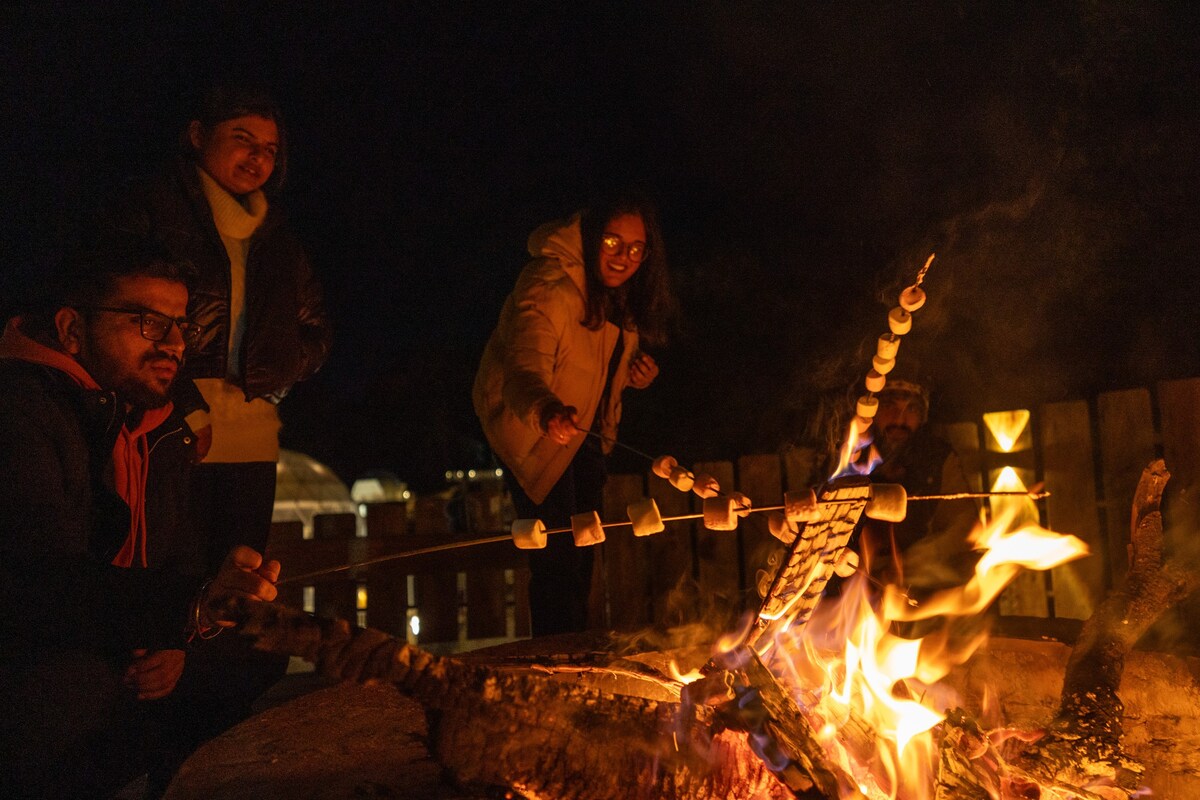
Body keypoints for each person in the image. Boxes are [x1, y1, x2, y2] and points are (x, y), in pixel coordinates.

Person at [94, 85, 331, 736]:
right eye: (242, 141)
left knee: (244, 580)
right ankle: (156, 718)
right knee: (175, 564)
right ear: (198, 135)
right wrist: (184, 401)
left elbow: (316, 328)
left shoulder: (276, 235)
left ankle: (223, 726)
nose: (258, 159)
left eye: (270, 150)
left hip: (250, 428)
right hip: (171, 417)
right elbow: (118, 302)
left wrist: (272, 376)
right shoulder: (153, 207)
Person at [0, 249, 280, 799]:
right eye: (149, 321)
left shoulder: (157, 423)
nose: (175, 343)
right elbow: (37, 582)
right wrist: (181, 608)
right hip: (35, 647)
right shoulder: (21, 412)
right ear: (71, 329)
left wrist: (179, 632)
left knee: (245, 661)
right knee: (67, 696)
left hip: (116, 634)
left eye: (182, 324)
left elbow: (179, 550)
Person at [474, 192, 675, 635]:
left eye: (637, 248)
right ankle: (551, 658)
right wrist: (545, 410)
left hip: (583, 430)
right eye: (612, 243)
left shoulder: (617, 298)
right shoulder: (549, 285)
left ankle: (576, 652)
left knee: (584, 548)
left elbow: (590, 369)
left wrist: (632, 375)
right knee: (556, 554)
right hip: (530, 425)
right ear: (590, 237)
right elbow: (524, 366)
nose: (624, 257)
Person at [858, 377, 980, 590]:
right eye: (889, 406)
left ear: (922, 417)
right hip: (855, 577)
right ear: (874, 412)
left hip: (920, 576)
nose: (900, 418)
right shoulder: (851, 459)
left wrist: (917, 559)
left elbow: (963, 523)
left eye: (912, 409)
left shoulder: (936, 458)